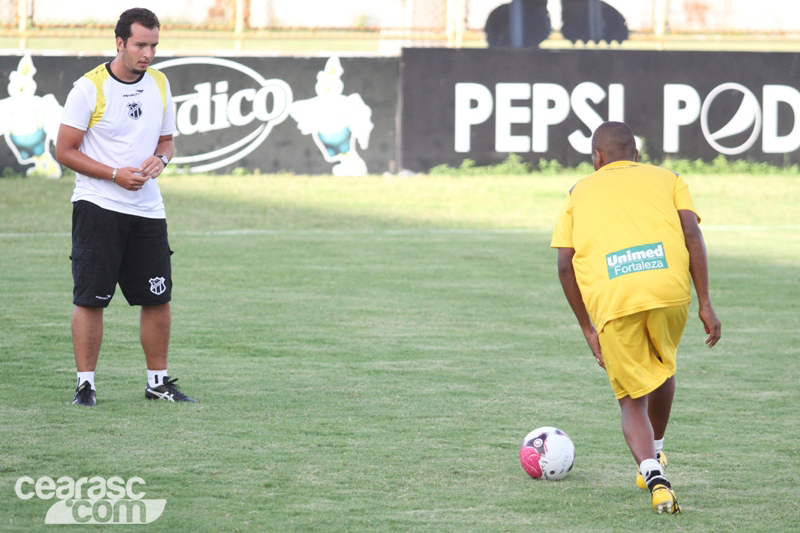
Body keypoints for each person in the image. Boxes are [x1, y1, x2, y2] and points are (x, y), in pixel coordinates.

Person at [551, 121, 720, 514]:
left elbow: (564, 263)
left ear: (598, 158)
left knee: (631, 400)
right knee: (662, 368)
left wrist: (586, 327)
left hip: (615, 297)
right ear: (638, 155)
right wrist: (706, 303)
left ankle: (655, 477)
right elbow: (693, 235)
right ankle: (656, 456)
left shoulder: (579, 190)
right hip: (669, 290)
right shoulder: (669, 178)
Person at [56, 8, 195, 406]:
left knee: (157, 297)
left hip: (148, 210)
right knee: (90, 298)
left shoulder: (161, 84)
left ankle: (158, 382)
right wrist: (114, 174)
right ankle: (86, 385)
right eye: (140, 45)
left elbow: (166, 141)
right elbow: (64, 151)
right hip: (97, 206)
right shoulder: (89, 89)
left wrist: (161, 160)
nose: (148, 53)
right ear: (120, 43)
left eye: (153, 45)